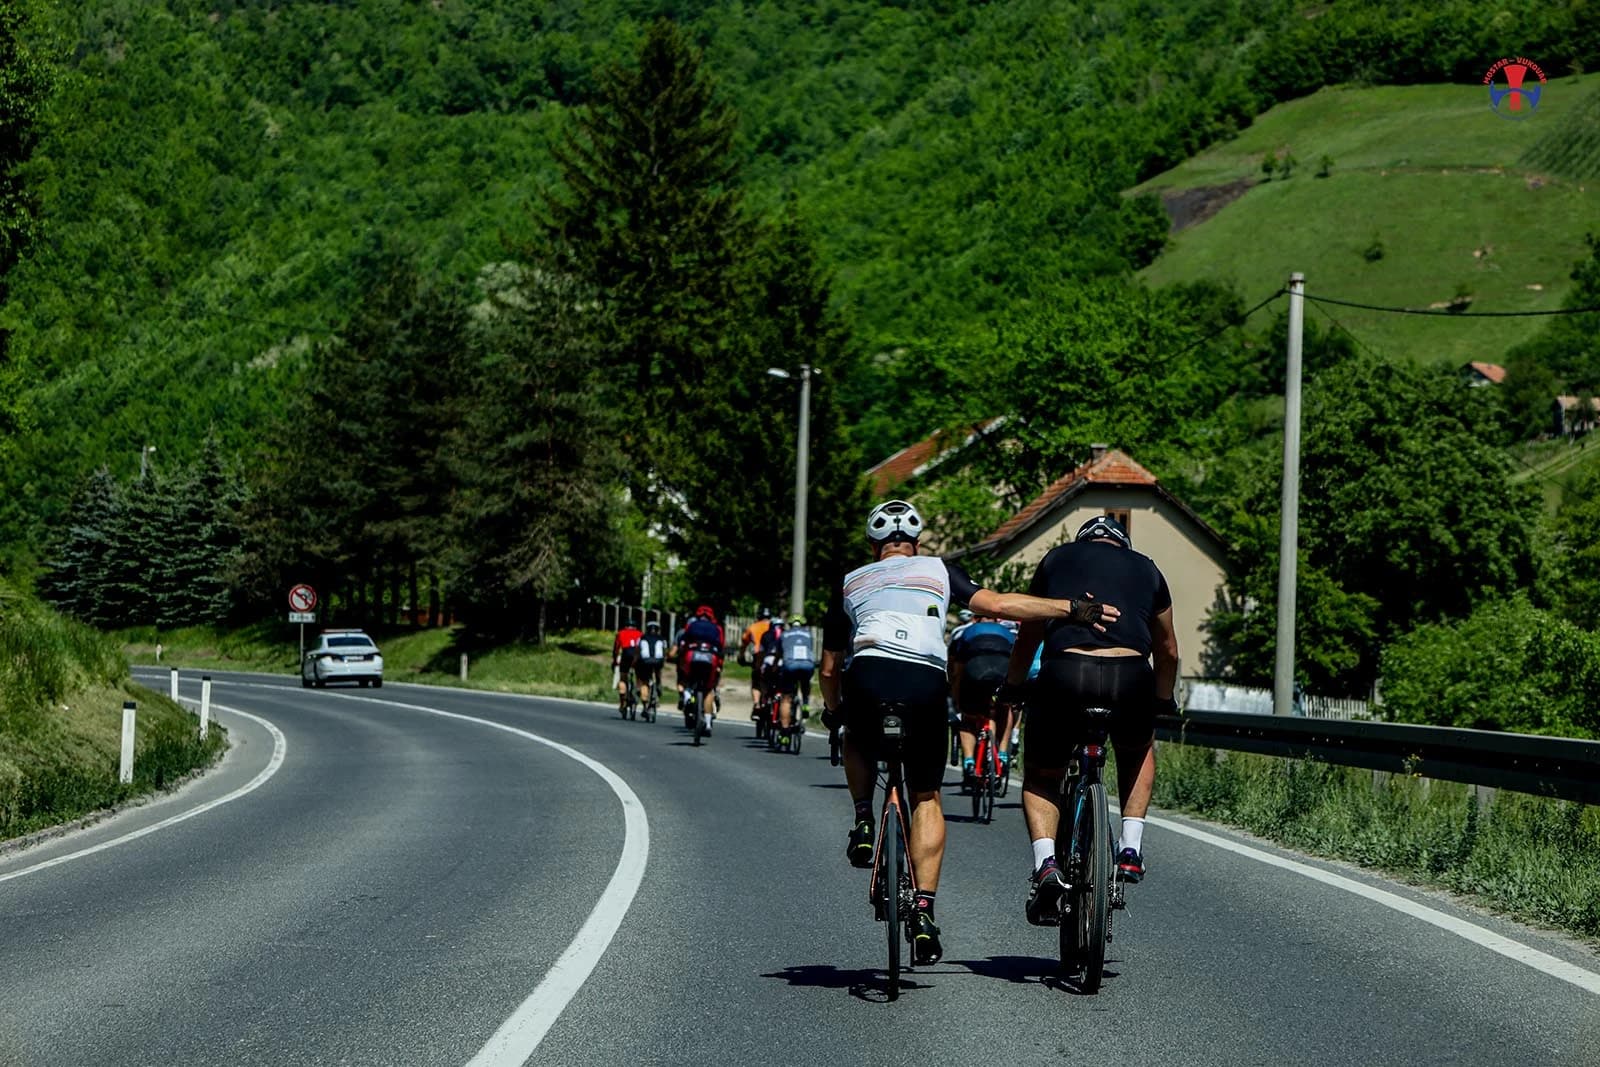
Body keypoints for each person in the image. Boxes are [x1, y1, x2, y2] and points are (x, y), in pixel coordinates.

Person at [820, 499, 1118, 966]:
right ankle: (923, 911)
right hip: (922, 682)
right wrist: (1070, 608)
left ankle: (862, 817)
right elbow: (998, 605)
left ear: (872, 544)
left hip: (868, 677)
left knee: (854, 732)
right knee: (926, 796)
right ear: (916, 542)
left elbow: (829, 667)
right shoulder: (939, 569)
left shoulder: (850, 582)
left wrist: (833, 710)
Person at [999, 514, 1179, 927]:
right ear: (1122, 546)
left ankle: (1046, 864)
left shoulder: (1055, 559)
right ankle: (1130, 849)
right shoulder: (1149, 568)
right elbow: (1167, 648)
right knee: (1136, 750)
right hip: (1130, 676)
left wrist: (1013, 685)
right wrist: (1163, 699)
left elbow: (1029, 634)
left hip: (1066, 674)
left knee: (1043, 774)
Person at [949, 611, 1018, 782]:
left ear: (975, 619)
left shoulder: (965, 632)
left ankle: (969, 761)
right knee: (1004, 708)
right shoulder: (1008, 633)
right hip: (1002, 669)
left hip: (976, 669)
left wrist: (957, 700)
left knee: (968, 717)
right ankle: (1002, 754)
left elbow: (957, 671)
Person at [676, 604, 726, 734]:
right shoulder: (717, 628)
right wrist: (720, 665)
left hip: (692, 656)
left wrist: (681, 659)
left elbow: (683, 643)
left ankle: (687, 697)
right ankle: (708, 723)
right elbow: (721, 648)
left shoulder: (692, 625)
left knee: (687, 678)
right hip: (711, 658)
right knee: (708, 689)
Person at [778, 616, 818, 734]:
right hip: (807, 665)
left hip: (790, 665)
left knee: (786, 698)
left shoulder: (784, 635)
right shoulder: (808, 635)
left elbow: (779, 653)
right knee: (805, 682)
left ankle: (784, 732)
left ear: (790, 625)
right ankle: (805, 703)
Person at [739, 608, 774, 720]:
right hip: (774, 656)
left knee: (756, 680)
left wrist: (741, 656)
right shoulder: (775, 627)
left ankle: (757, 704)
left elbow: (744, 643)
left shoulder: (753, 627)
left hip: (759, 656)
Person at [635, 619, 668, 710]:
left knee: (645, 681)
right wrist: (663, 660)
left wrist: (635, 662)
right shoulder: (662, 639)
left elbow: (637, 651)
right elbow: (665, 652)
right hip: (658, 661)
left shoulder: (642, 638)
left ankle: (645, 704)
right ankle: (658, 684)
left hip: (645, 661)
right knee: (658, 672)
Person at [612, 617, 643, 712]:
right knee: (639, 675)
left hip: (626, 654)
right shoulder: (640, 634)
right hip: (638, 655)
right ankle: (638, 688)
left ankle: (622, 703)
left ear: (626, 626)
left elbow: (616, 649)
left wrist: (615, 660)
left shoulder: (621, 633)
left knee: (623, 678)